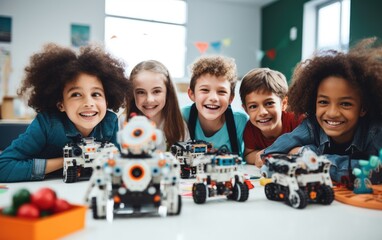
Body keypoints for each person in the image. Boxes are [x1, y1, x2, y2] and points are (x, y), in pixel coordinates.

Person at [0, 43, 130, 182]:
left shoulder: (110, 122)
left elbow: (116, 165)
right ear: (61, 104)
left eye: (96, 94)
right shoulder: (47, 124)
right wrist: (69, 160)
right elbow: (3, 167)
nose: (89, 103)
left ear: (107, 101)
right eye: (76, 94)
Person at [263, 37, 382, 183]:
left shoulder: (375, 131)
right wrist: (307, 156)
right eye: (324, 102)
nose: (332, 113)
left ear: (363, 108)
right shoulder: (312, 126)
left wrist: (309, 155)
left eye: (345, 104)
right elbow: (269, 155)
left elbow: (373, 173)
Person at [182, 55, 248, 156]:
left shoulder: (241, 121)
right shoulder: (182, 116)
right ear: (192, 94)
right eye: (205, 90)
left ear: (231, 98)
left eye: (221, 91)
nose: (213, 98)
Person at [239, 68, 304, 167]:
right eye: (253, 106)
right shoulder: (250, 128)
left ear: (283, 104)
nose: (262, 112)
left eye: (269, 103)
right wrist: (263, 157)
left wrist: (281, 155)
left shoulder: (297, 121)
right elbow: (248, 155)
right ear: (246, 110)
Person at [121, 60, 190, 150]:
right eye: (141, 92)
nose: (149, 99)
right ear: (132, 94)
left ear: (168, 92)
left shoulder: (178, 126)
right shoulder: (121, 123)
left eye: (156, 91)